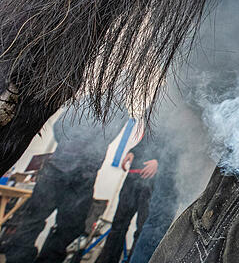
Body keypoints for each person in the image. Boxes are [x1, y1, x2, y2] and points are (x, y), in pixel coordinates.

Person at [0, 103, 127, 263]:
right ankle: (20, 258)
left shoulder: (121, 112)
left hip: (82, 175)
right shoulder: (87, 101)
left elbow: (105, 136)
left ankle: (47, 259)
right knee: (32, 218)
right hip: (60, 168)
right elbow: (61, 126)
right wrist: (70, 149)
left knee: (70, 226)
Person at [95, 134, 159, 263]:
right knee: (118, 224)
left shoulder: (182, 118)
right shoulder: (155, 118)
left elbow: (177, 148)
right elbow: (148, 139)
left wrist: (159, 161)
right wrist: (133, 152)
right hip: (133, 177)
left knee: (143, 229)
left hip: (153, 183)